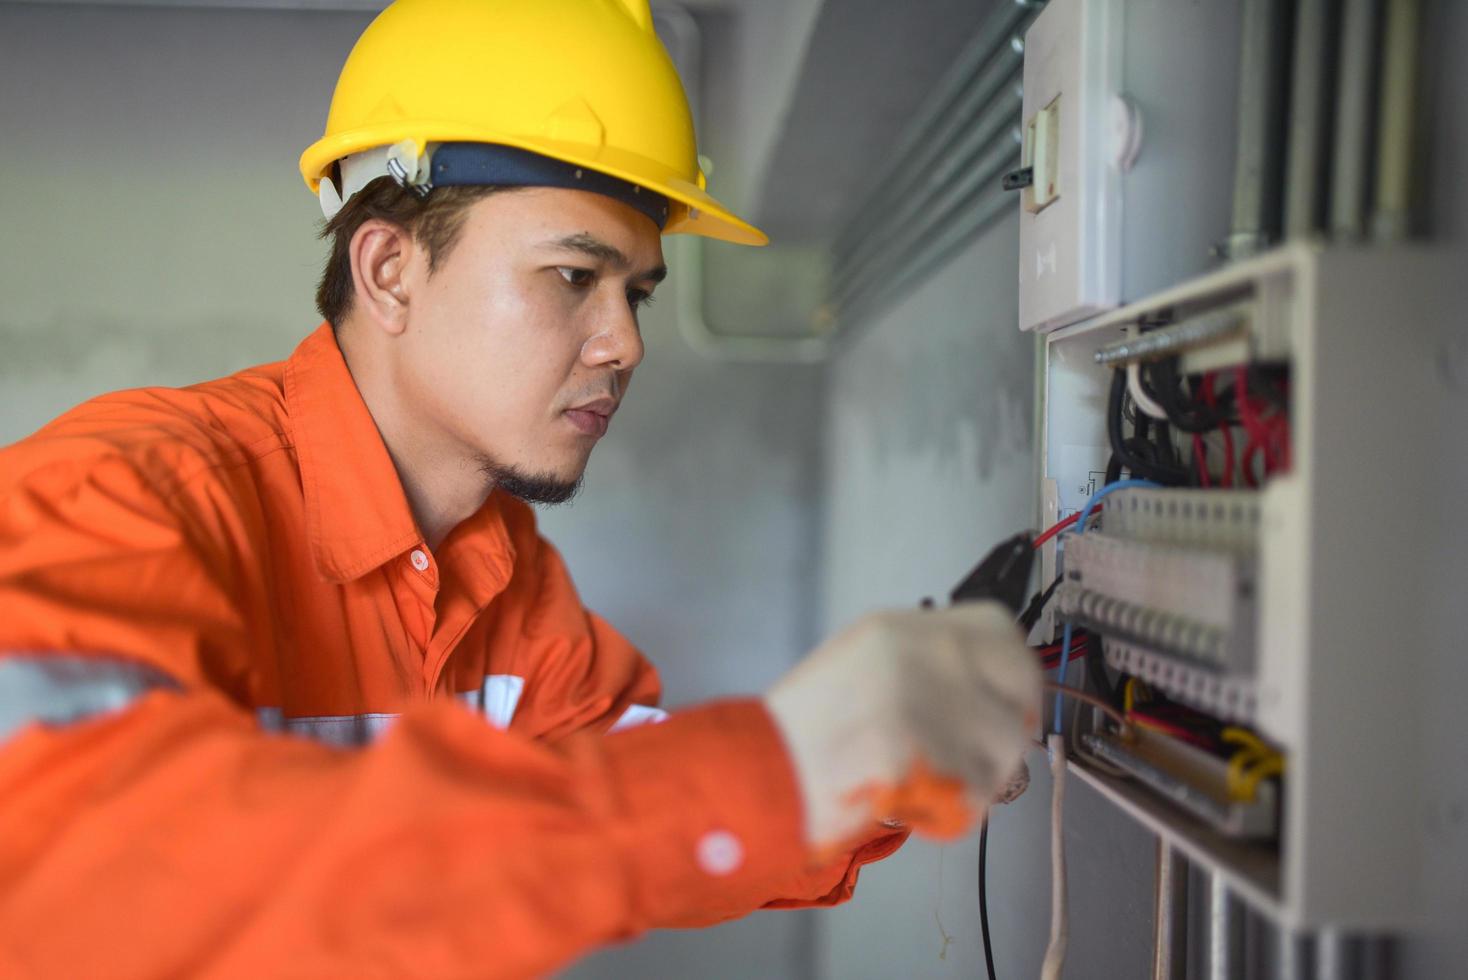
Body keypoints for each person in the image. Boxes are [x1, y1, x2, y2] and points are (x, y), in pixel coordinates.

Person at [0, 0, 1040, 975]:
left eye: (635, 292)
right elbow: (78, 877)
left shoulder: (505, 578)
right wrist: (785, 764)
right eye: (572, 275)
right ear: (390, 271)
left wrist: (886, 753)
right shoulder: (120, 494)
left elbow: (648, 789)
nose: (626, 341)